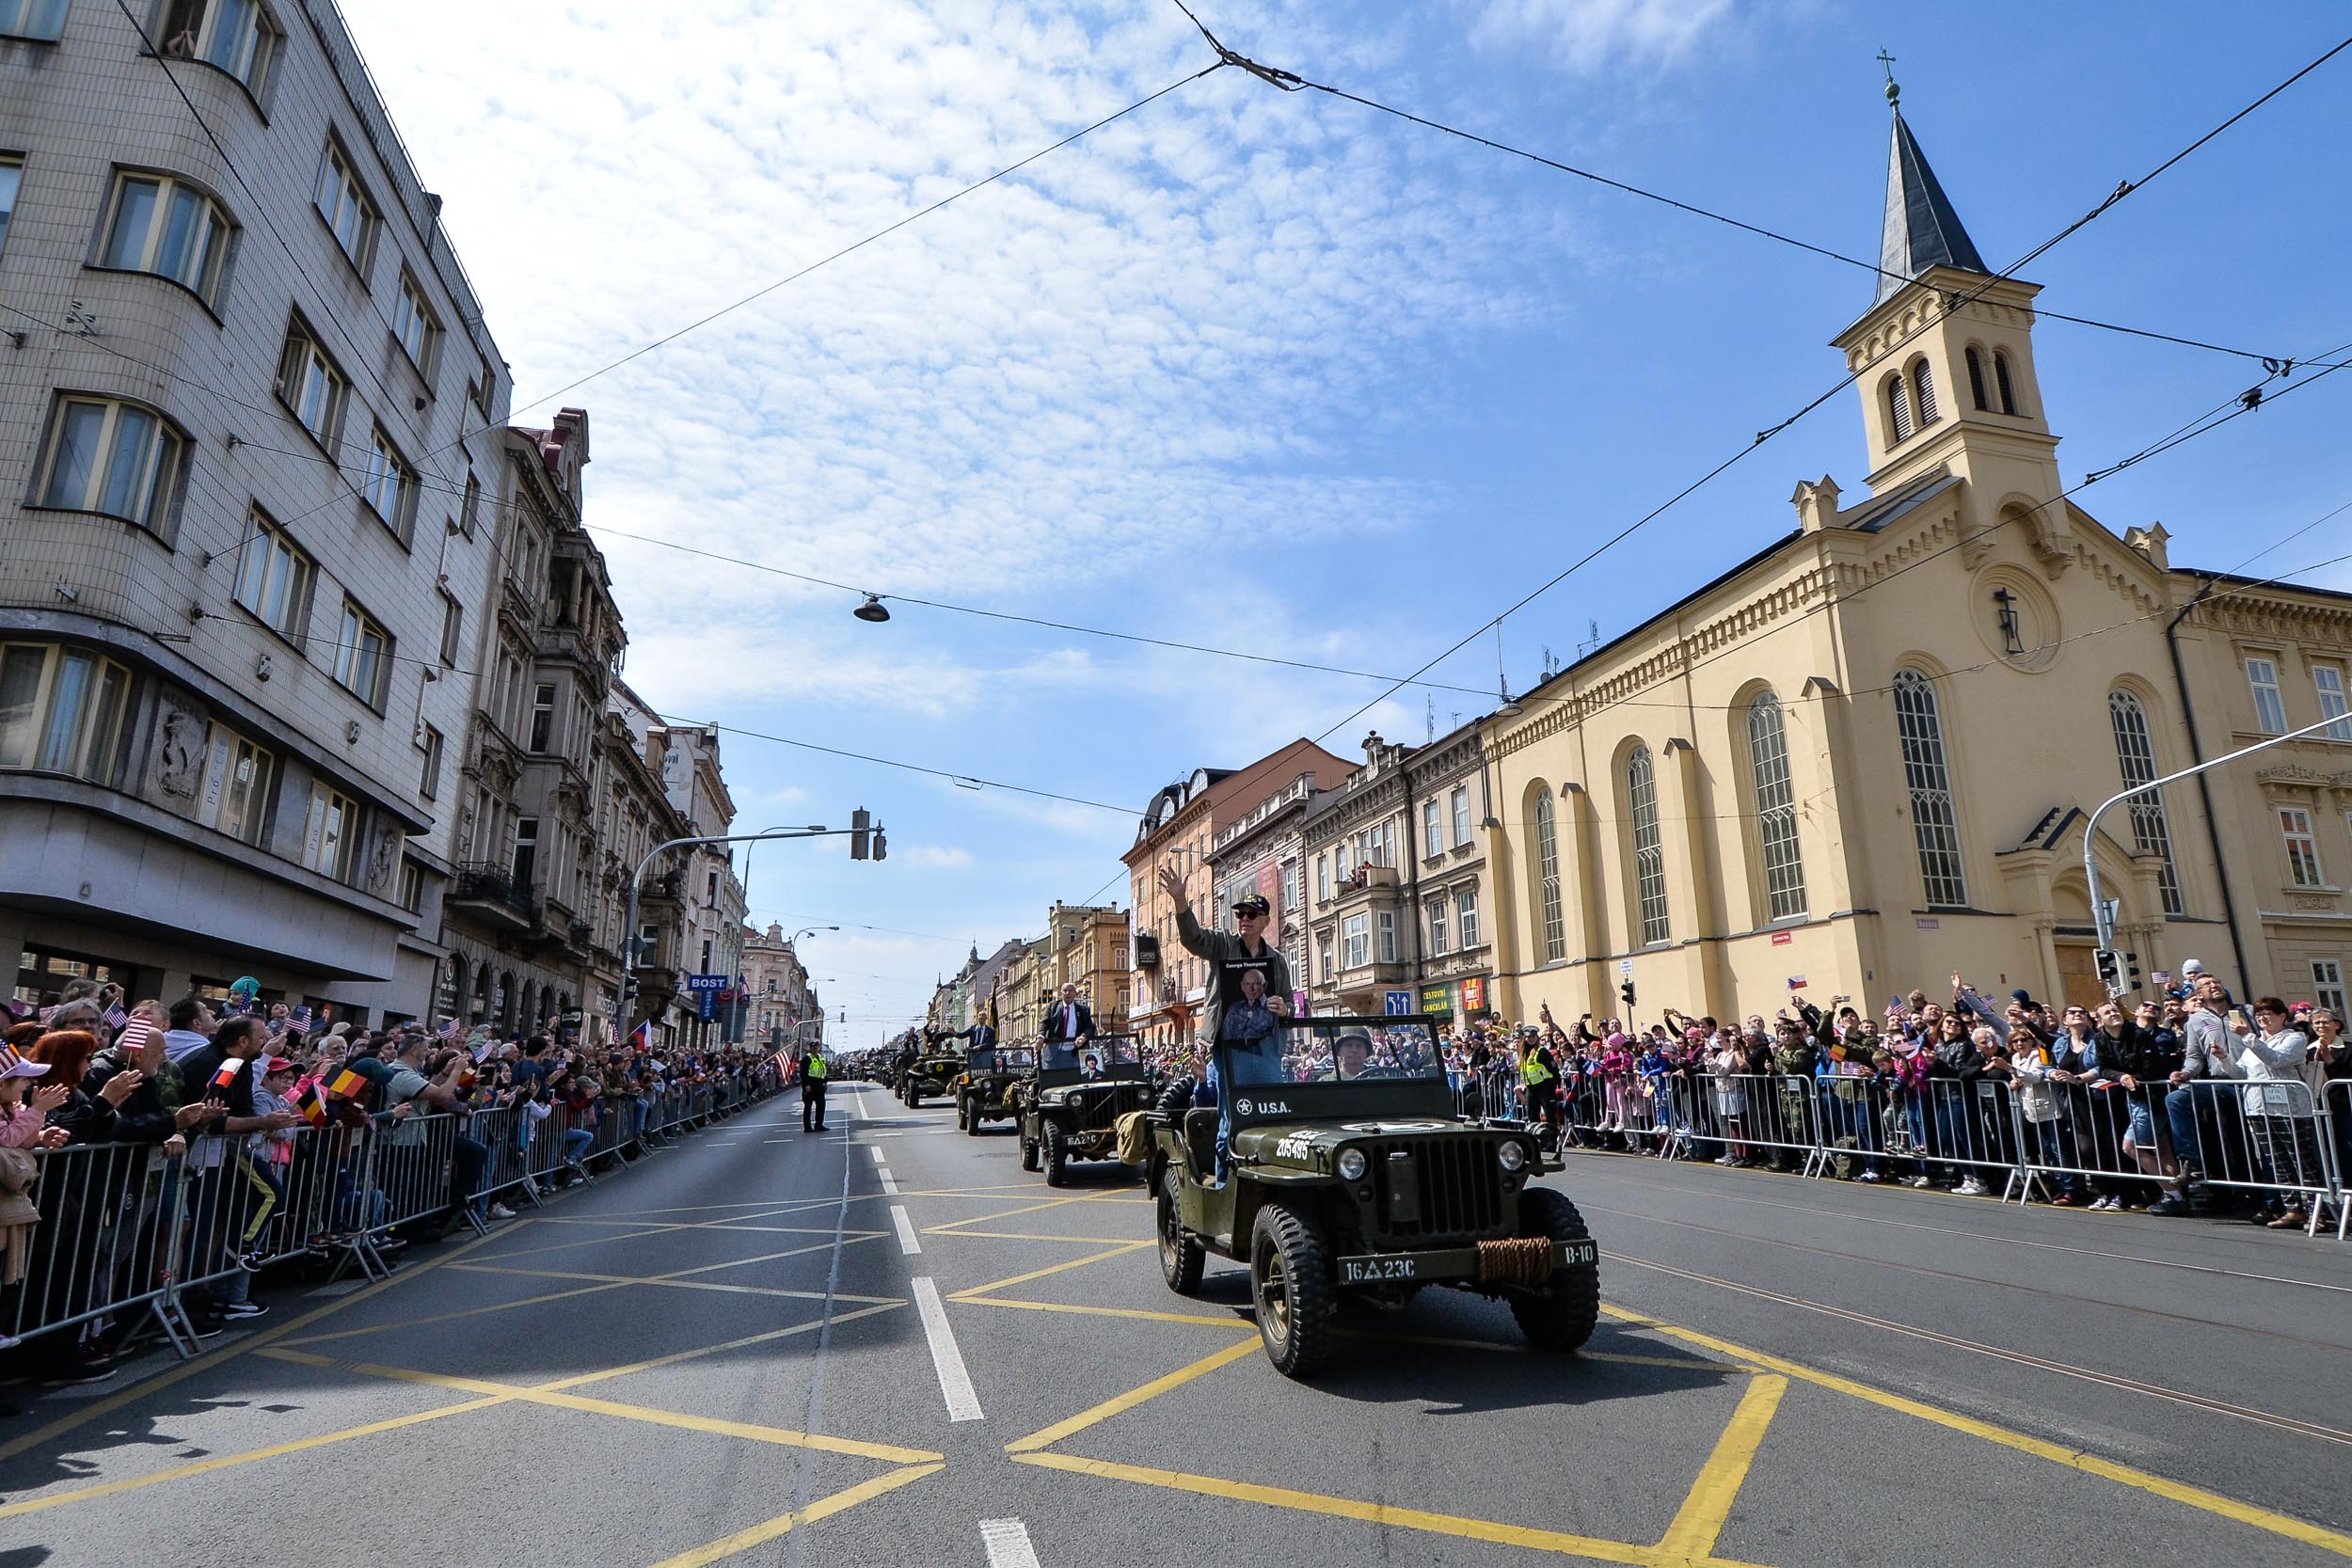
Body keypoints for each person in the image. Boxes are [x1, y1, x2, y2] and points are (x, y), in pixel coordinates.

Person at [1160, 870, 1292, 1182]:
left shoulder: (1276, 960)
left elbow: (1288, 1001)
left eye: (1252, 914)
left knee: (1270, 1114)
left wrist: (1284, 1008)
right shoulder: (1224, 945)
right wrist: (1180, 900)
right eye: (1240, 914)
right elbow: (1193, 938)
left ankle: (1264, 1178)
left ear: (1265, 922)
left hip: (1266, 1049)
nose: (1244, 919)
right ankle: (1222, 1186)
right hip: (1228, 1049)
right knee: (1231, 1119)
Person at [799, 1046, 830, 1132]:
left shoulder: (820, 1058)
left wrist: (825, 1083)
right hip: (810, 1084)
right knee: (808, 1106)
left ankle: (819, 1125)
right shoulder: (807, 1058)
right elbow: (803, 1073)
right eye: (813, 1048)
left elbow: (823, 1071)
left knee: (821, 1105)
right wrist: (806, 1085)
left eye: (816, 1048)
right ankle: (807, 1127)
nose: (815, 1049)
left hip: (819, 1084)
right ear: (810, 1048)